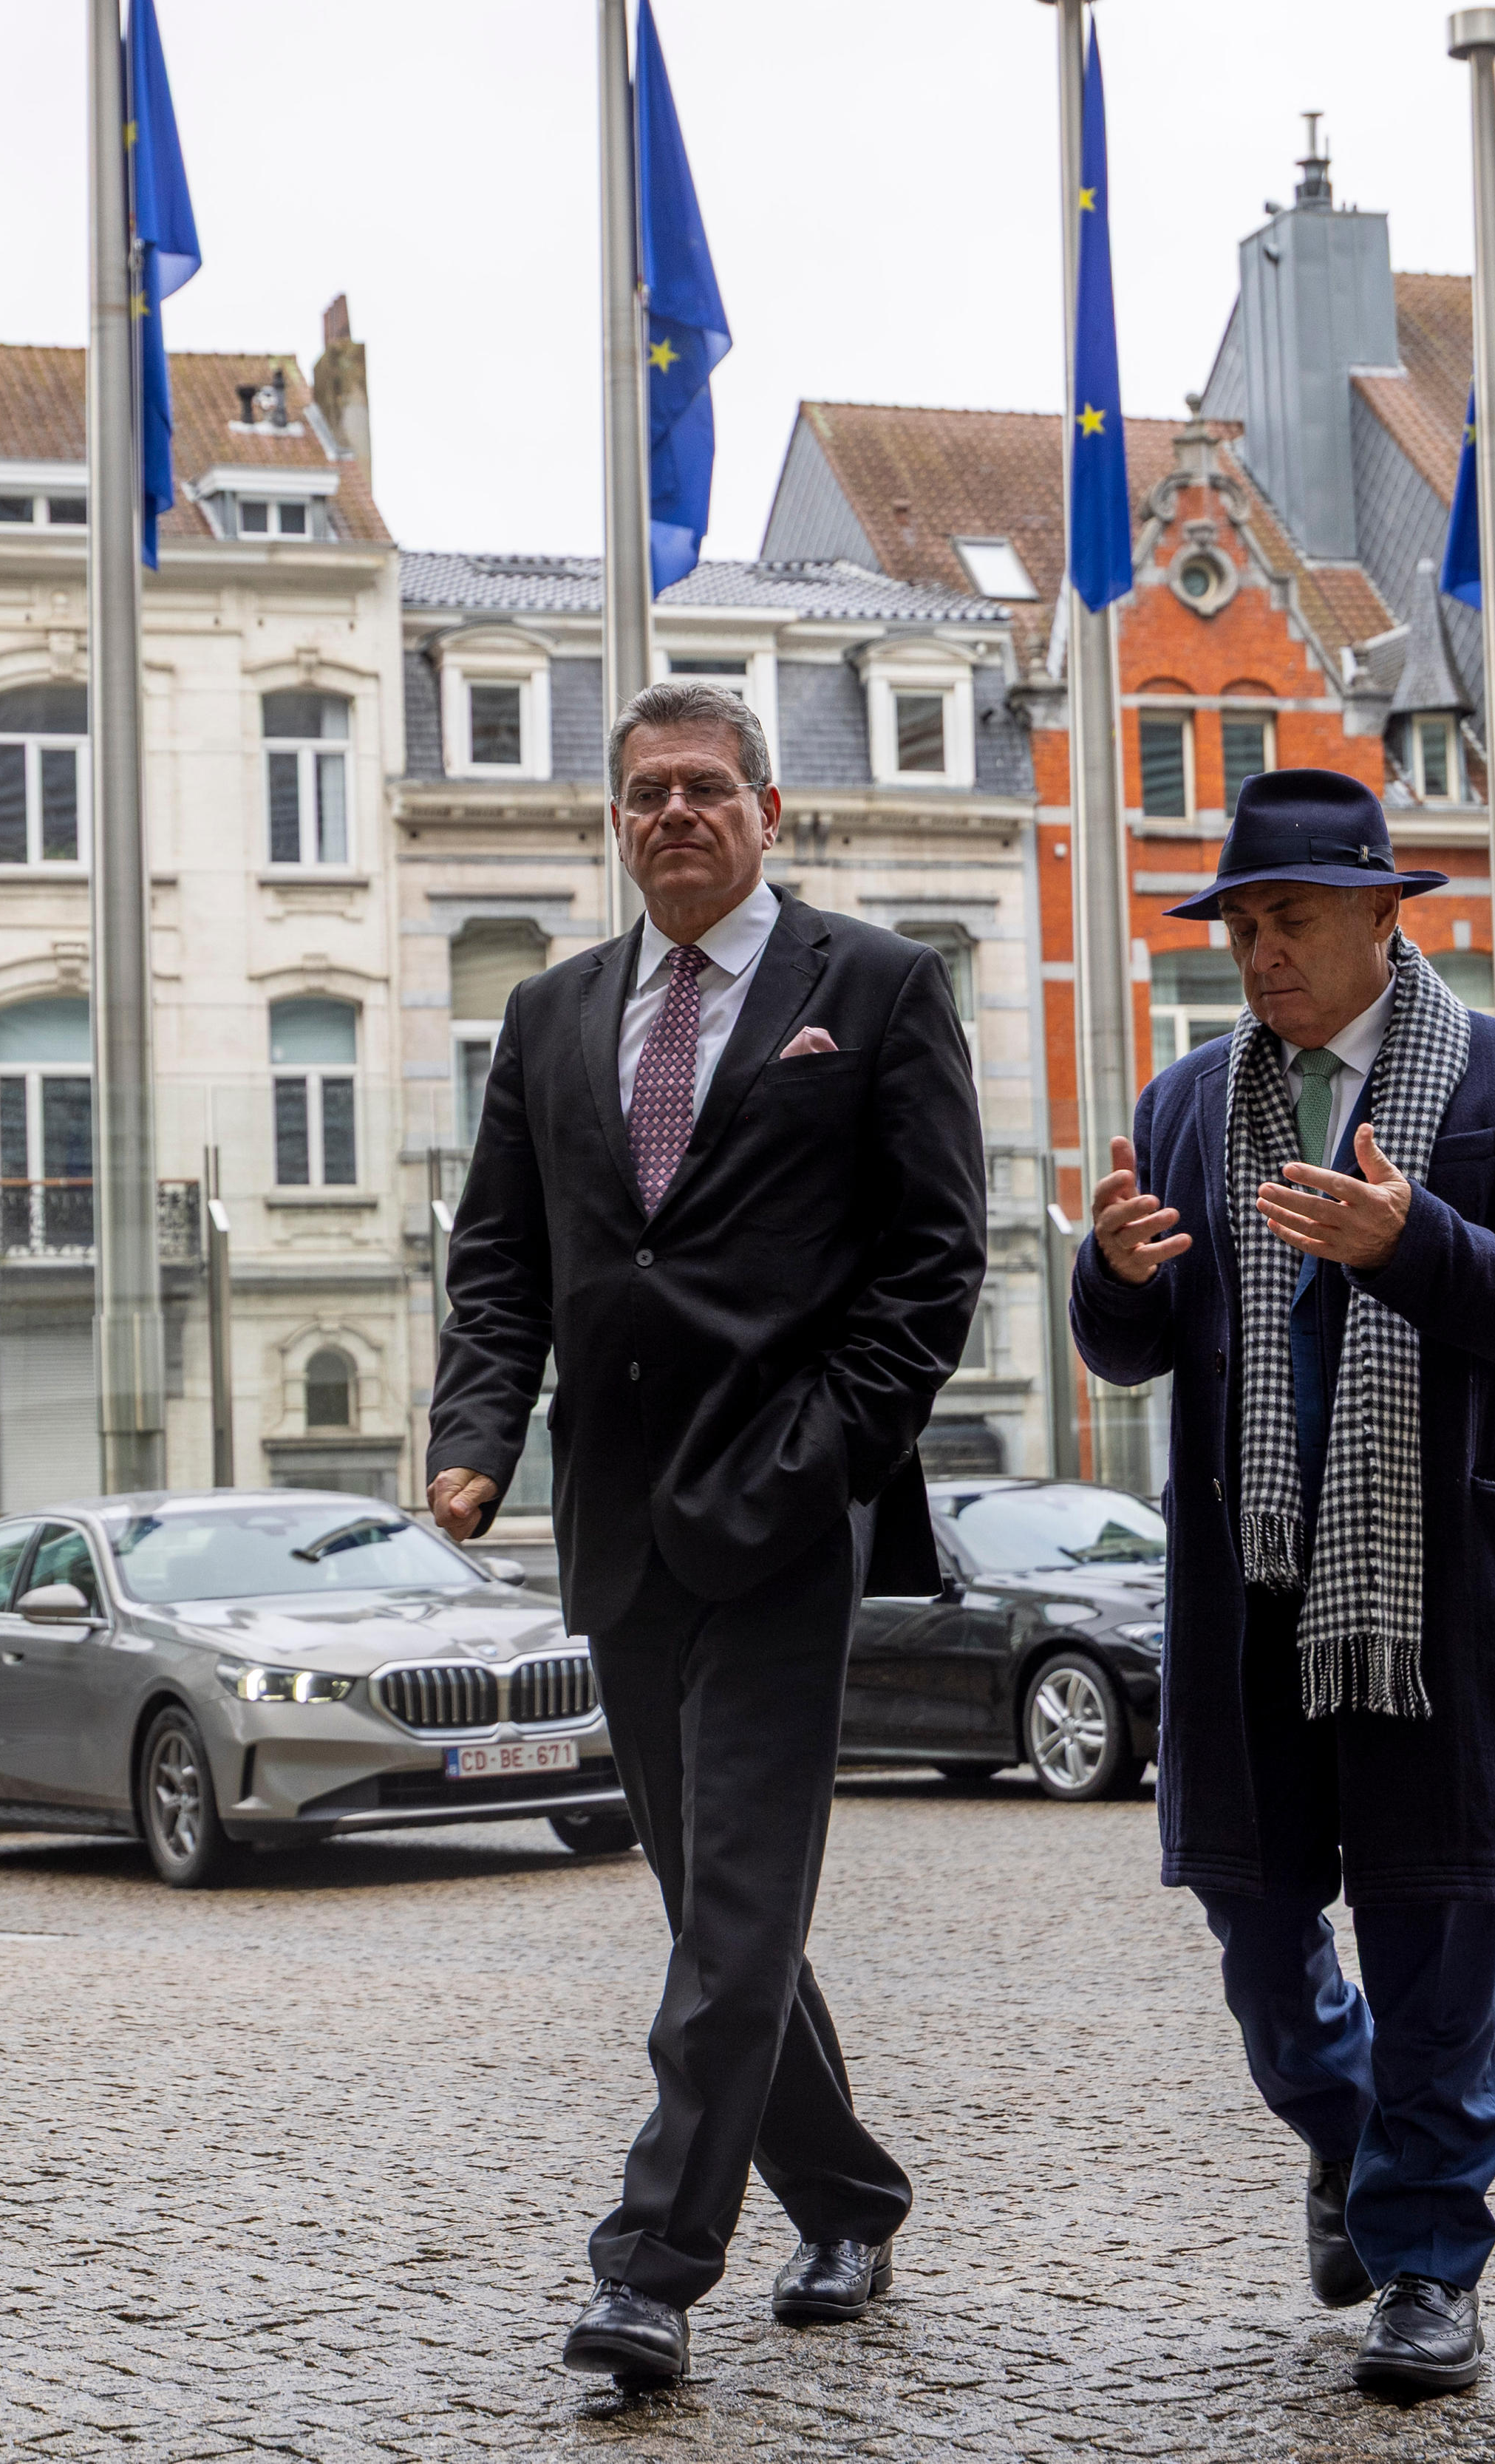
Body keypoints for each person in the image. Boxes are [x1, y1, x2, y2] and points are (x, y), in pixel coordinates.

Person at [425, 678, 985, 2386]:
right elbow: (502, 1258)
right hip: (616, 1522)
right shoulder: (548, 1012)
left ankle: (650, 2265)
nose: (674, 814)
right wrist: (473, 1438)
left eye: (704, 789)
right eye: (644, 792)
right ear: (618, 821)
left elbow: (932, 1263)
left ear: (767, 812)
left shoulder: (875, 991)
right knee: (710, 1906)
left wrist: (823, 1455)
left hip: (786, 1521)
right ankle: (848, 2190)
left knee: (735, 1906)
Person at [1072, 767, 1495, 2396]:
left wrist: (1411, 1241)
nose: (1257, 951)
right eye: (1238, 923)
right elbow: (1134, 1351)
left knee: (1438, 1931)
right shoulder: (1186, 1103)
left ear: (1387, 917)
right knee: (1254, 1928)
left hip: (1436, 1593)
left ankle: (1427, 2268)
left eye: (1288, 917)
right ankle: (1353, 2128)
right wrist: (1101, 1272)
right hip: (1248, 1593)